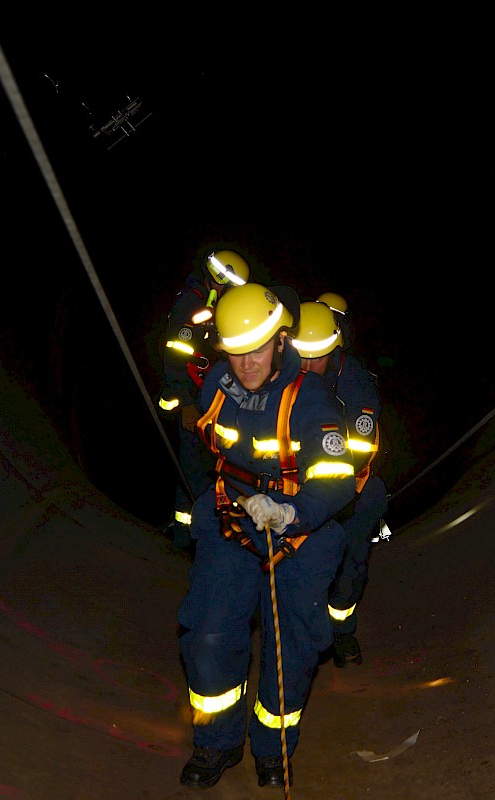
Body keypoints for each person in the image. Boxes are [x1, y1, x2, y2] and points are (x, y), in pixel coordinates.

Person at [177, 282, 357, 790]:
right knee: (209, 633)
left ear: (281, 340)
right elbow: (206, 440)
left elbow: (337, 478)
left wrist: (289, 511)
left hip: (299, 530)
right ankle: (216, 745)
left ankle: (273, 746)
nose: (246, 363)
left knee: (294, 643)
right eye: (236, 351)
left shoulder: (312, 399)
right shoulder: (217, 382)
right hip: (232, 518)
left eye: (257, 347)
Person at [291, 295, 389, 668]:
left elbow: (358, 448)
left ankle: (342, 634)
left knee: (348, 569)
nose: (310, 361)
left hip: (352, 496)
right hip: (302, 494)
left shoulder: (355, 381)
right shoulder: (285, 374)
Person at [152, 248, 251, 552]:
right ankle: (198, 539)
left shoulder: (206, 303)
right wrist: (186, 402)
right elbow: (175, 356)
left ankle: (185, 537)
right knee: (194, 472)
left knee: (195, 473)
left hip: (211, 399)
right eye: (230, 287)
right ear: (219, 279)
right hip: (194, 403)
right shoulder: (193, 306)